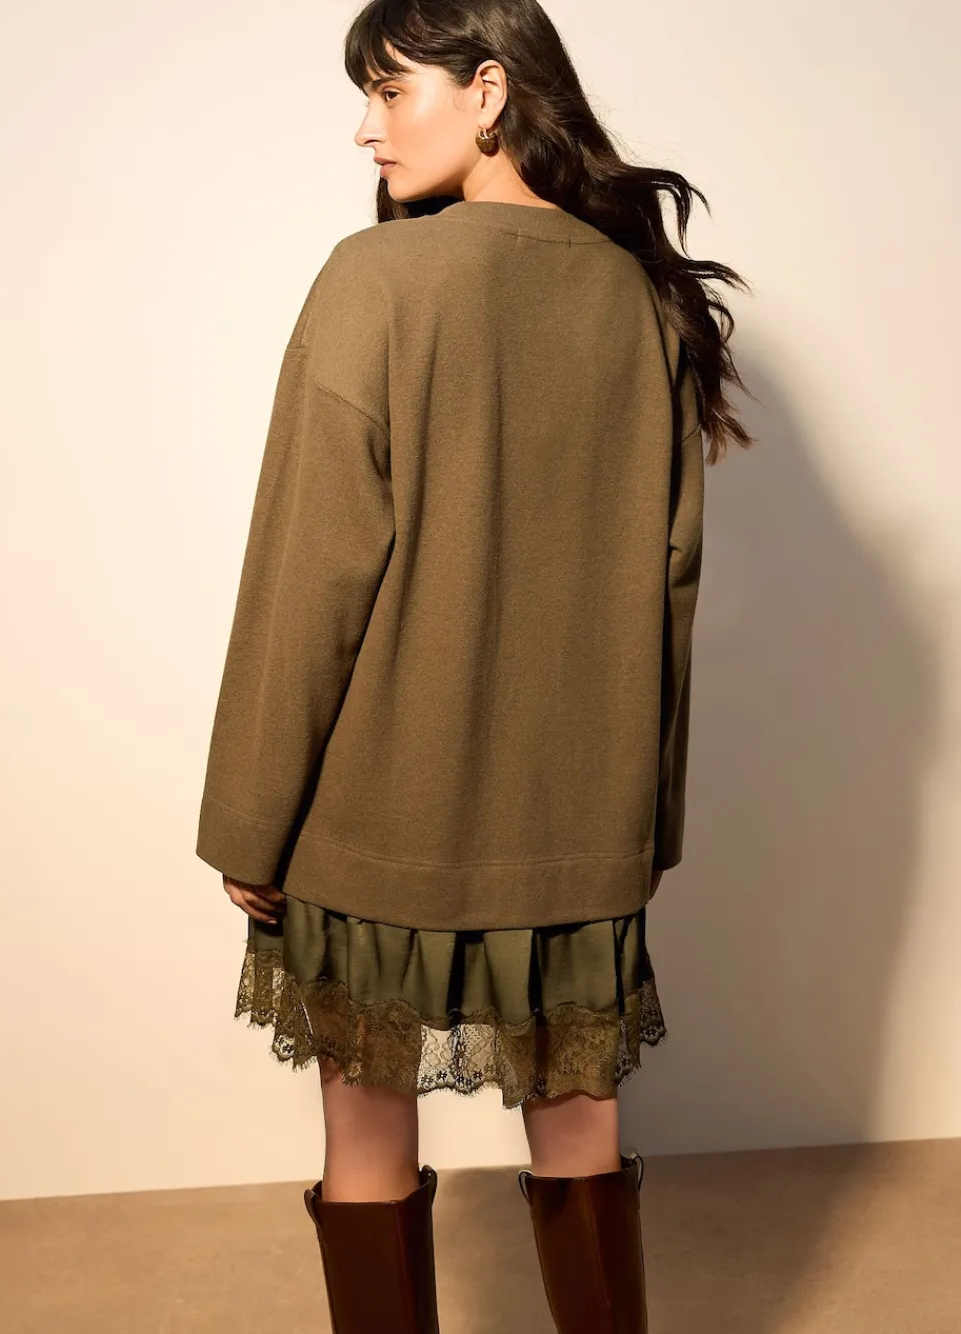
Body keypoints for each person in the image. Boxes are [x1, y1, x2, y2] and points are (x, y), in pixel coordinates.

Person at [195, 1, 753, 1329]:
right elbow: (670, 583)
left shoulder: (377, 281)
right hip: (578, 823)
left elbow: (308, 575)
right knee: (582, 1131)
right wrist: (641, 825)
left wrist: (250, 819)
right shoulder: (640, 299)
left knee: (366, 1136)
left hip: (376, 817)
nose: (367, 126)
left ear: (490, 90)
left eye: (392, 91)